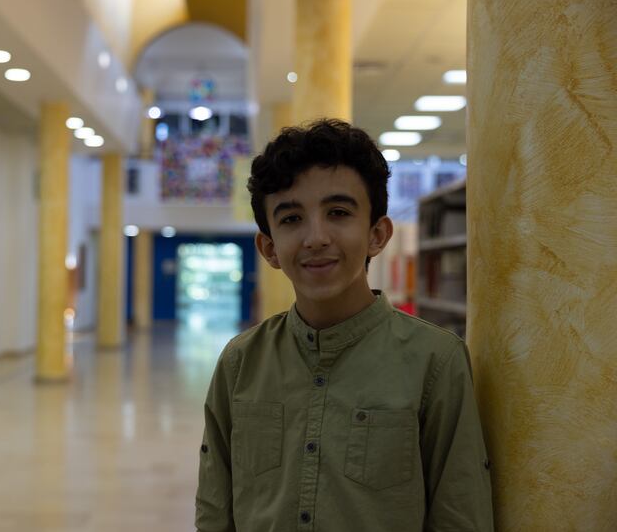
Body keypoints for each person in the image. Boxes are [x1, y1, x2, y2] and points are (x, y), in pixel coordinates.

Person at [195, 119, 493, 531]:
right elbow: (214, 511)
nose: (315, 237)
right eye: (291, 219)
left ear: (377, 234)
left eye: (338, 213)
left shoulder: (435, 363)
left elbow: (461, 517)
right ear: (269, 248)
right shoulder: (240, 363)